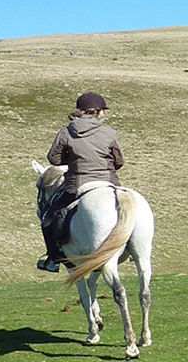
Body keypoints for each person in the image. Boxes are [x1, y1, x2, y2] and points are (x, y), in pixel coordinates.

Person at [38, 92, 125, 272]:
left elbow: (54, 159)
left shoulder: (67, 132)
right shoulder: (109, 132)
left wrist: (73, 158)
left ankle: (53, 259)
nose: (104, 115)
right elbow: (119, 162)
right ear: (96, 112)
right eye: (102, 111)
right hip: (110, 183)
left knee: (48, 217)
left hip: (77, 185)